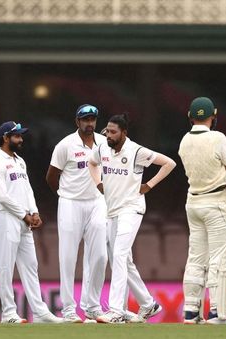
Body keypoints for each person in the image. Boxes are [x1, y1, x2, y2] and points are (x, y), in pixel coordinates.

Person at [88, 113, 175, 323]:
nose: (108, 135)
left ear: (124, 133)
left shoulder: (136, 151)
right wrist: (98, 183)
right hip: (112, 210)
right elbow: (92, 163)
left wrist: (149, 185)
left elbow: (169, 163)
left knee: (118, 255)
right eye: (107, 131)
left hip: (131, 208)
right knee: (124, 260)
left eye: (113, 132)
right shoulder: (101, 148)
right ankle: (148, 304)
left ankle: (116, 310)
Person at [0, 120, 63, 324]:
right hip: (6, 216)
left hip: (23, 217)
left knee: (31, 265)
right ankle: (8, 313)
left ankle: (39, 312)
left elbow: (27, 189)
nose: (21, 139)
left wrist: (35, 211)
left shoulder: (19, 161)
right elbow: (2, 196)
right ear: (5, 138)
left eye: (21, 136)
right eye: (17, 136)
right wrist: (24, 214)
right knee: (6, 264)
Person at [178, 97, 226, 325]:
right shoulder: (218, 137)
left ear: (190, 116)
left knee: (196, 258)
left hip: (193, 203)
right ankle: (218, 312)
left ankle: (190, 311)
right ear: (213, 117)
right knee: (220, 258)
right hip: (216, 202)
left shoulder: (184, 140)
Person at [46, 104, 107, 323]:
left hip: (97, 202)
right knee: (68, 256)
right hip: (70, 203)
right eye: (85, 119)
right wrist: (65, 195)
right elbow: (51, 177)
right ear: (77, 122)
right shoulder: (65, 145)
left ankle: (92, 306)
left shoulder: (104, 142)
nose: (89, 123)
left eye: (93, 119)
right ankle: (69, 309)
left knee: (100, 255)